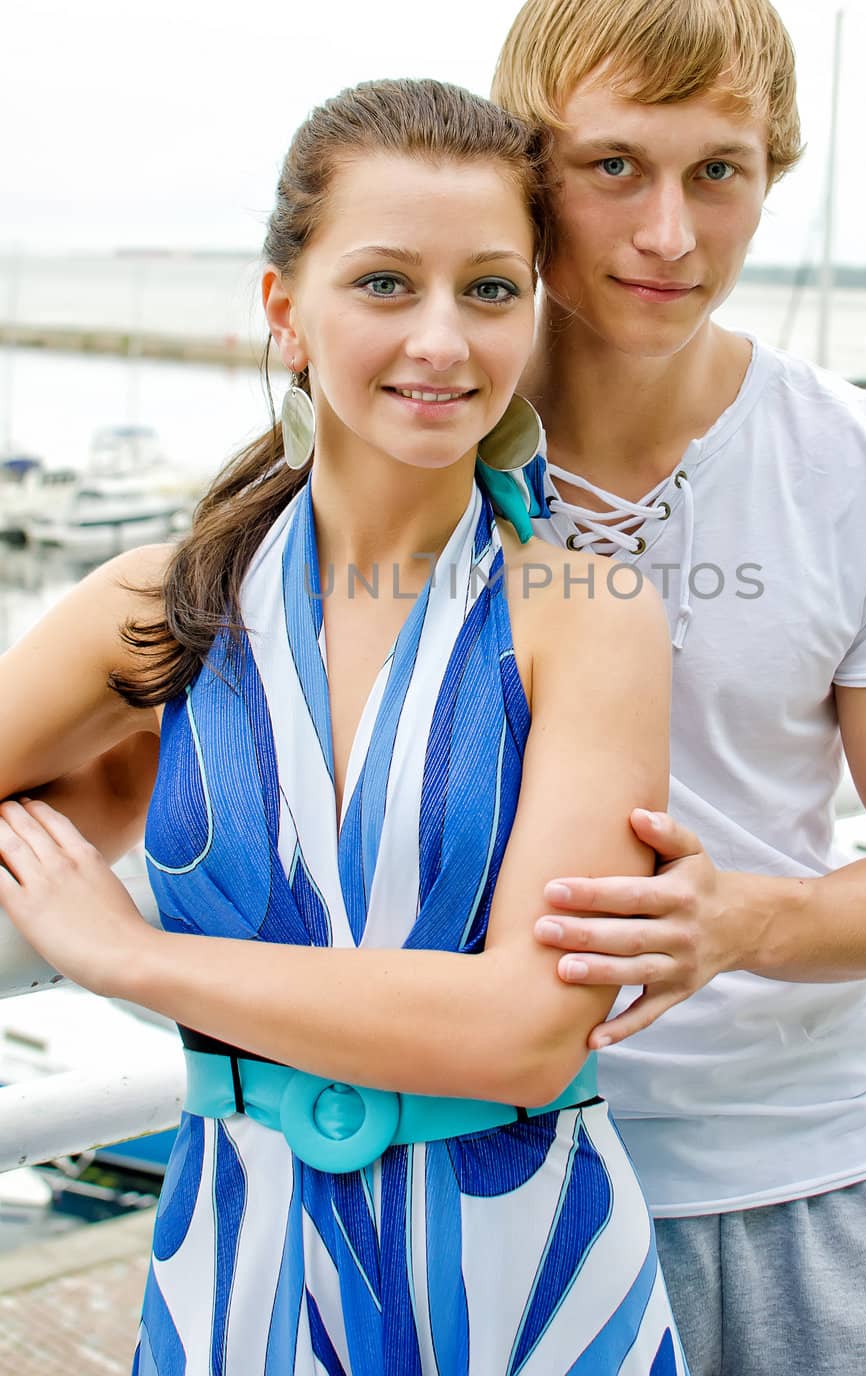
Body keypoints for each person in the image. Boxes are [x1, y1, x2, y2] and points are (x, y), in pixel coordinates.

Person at [0, 80, 688, 1374]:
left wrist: (134, 957)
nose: (443, 340)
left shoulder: (586, 613)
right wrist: (106, 790)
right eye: (385, 284)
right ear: (287, 312)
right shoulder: (159, 607)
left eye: (490, 289)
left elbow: (527, 1031)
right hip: (235, 1282)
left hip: (525, 1286)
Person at [483, 0, 866, 1374]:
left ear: (769, 179)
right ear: (528, 170)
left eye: (718, 172)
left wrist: (743, 923)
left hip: (823, 1152)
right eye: (614, 166)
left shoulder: (858, 457)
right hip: (500, 1175)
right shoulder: (412, 445)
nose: (670, 231)